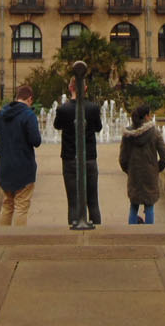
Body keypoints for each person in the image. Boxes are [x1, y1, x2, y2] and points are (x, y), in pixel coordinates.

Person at [0, 85, 42, 226]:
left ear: (17, 97)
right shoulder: (28, 115)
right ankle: (18, 236)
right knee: (21, 206)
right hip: (24, 166)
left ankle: (4, 235)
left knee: (7, 204)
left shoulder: (3, 113)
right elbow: (36, 141)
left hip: (6, 166)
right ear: (30, 99)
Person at [53, 78, 102, 227]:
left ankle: (74, 227)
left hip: (70, 158)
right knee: (93, 201)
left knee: (73, 202)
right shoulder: (93, 108)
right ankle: (99, 230)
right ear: (85, 88)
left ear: (70, 88)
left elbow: (57, 125)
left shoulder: (63, 109)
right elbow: (98, 128)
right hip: (89, 158)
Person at [119, 104, 165, 224]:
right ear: (146, 116)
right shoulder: (154, 133)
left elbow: (122, 159)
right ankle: (149, 231)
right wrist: (155, 169)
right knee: (149, 205)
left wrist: (129, 170)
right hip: (150, 175)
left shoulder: (127, 134)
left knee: (133, 205)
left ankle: (131, 230)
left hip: (134, 174)